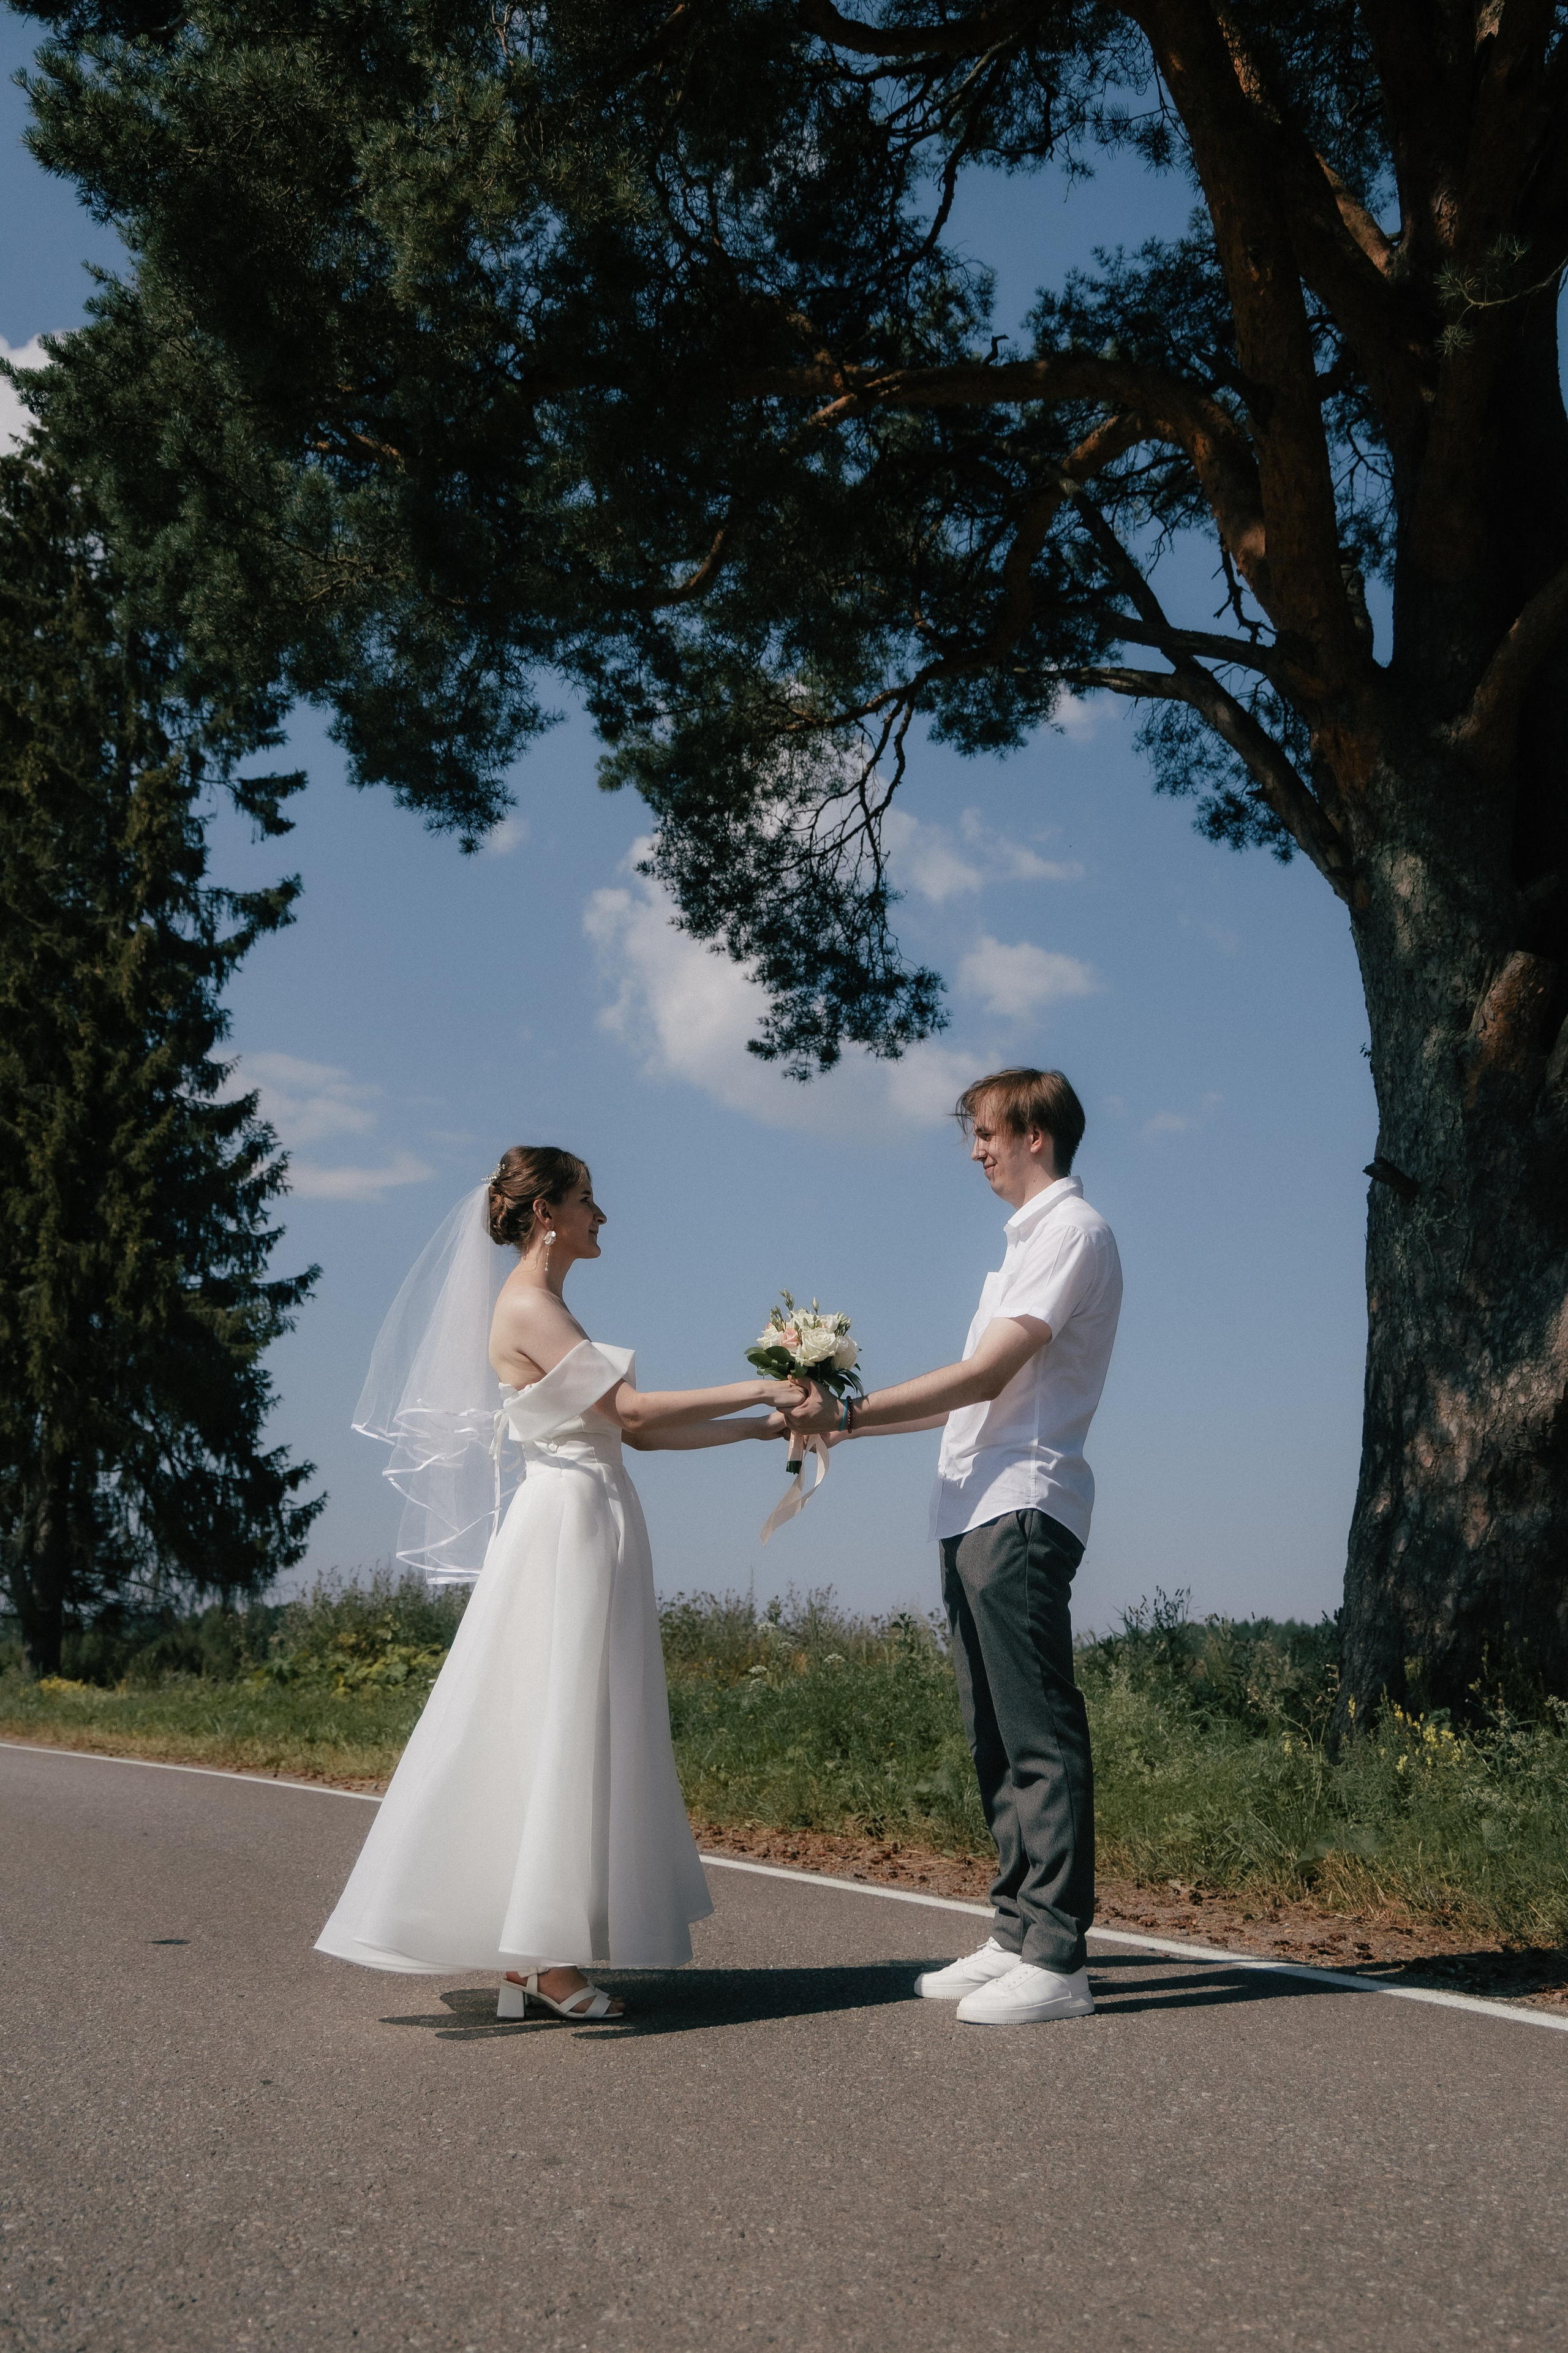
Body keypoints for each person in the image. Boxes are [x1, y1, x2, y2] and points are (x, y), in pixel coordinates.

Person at [316, 1146, 800, 2022]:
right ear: (546, 1213)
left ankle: (538, 1953)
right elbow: (633, 1411)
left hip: (599, 1513)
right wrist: (759, 1382)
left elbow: (635, 1437)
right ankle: (541, 1956)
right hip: (563, 1524)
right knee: (557, 1719)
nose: (600, 1215)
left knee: (587, 1719)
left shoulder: (555, 1308)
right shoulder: (528, 1307)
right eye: (586, 1199)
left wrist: (761, 1428)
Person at [785, 1068, 1121, 2026]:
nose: (976, 1150)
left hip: (1022, 1505)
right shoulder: (1024, 1245)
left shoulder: (1072, 1233)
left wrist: (849, 1413)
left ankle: (1056, 1956)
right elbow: (970, 1397)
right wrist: (841, 1423)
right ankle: (1016, 1930)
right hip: (971, 1510)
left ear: (1035, 1136)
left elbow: (982, 1376)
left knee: (1037, 1732)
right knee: (994, 1734)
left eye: (987, 1133)